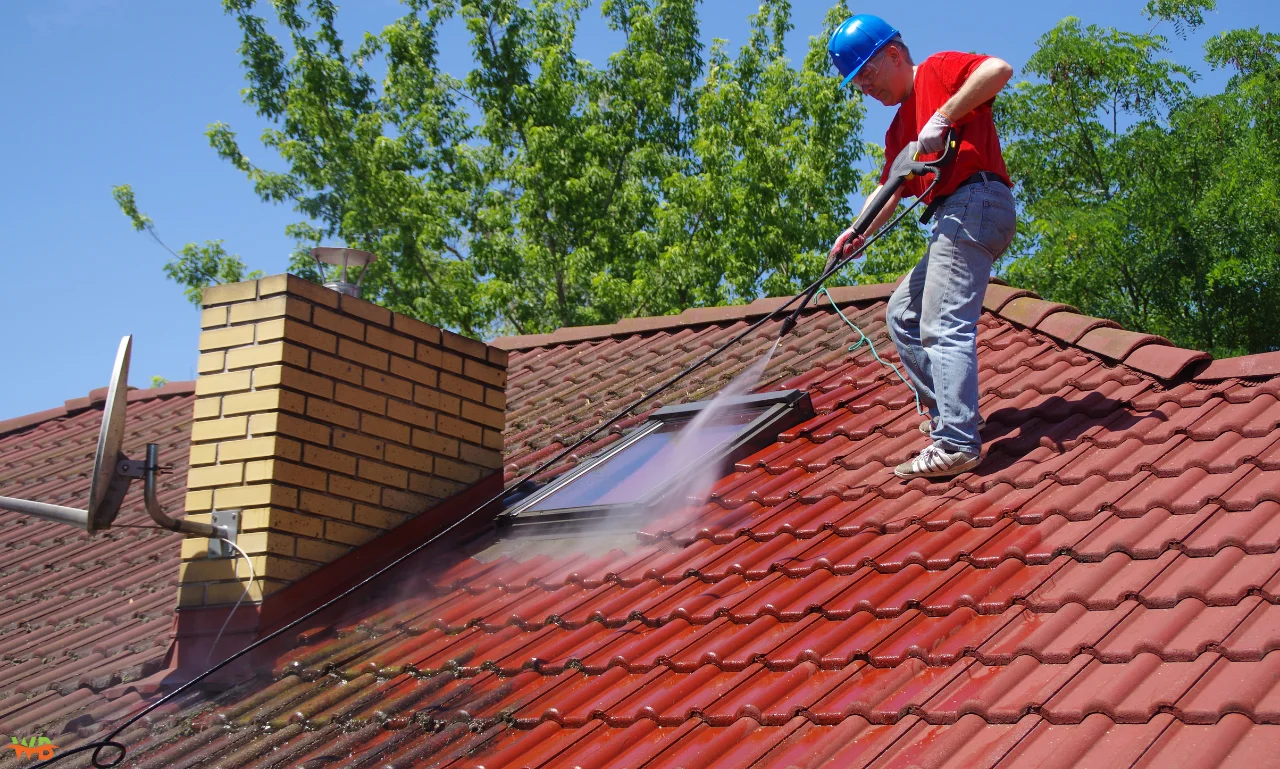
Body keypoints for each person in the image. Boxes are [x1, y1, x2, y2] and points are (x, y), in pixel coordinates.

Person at [825, 14, 1016, 480]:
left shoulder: (938, 70)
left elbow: (998, 69)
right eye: (857, 83)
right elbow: (890, 187)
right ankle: (952, 414)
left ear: (893, 55)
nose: (865, 88)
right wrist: (857, 231)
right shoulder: (898, 131)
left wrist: (945, 116)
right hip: (958, 213)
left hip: (976, 200)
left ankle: (957, 441)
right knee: (902, 315)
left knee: (941, 322)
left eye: (866, 74)